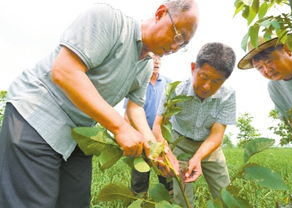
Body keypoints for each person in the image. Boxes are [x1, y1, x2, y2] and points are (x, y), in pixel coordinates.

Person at [0, 1, 199, 207]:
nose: (176, 47)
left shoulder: (146, 65)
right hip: (37, 116)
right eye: (178, 36)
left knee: (75, 202)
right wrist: (119, 127)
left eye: (183, 44)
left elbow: (135, 108)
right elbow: (64, 71)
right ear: (160, 13)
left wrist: (157, 148)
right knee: (31, 202)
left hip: (77, 134)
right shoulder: (108, 20)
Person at [153, 42, 237, 207]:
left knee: (225, 194)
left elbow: (216, 135)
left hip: (209, 148)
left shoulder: (228, 96)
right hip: (181, 144)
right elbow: (158, 125)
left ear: (225, 80)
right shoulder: (176, 90)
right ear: (193, 68)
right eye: (203, 77)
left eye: (216, 81)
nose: (207, 86)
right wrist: (167, 151)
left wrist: (198, 157)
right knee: (182, 196)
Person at [237, 33, 292, 145]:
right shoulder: (275, 87)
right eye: (260, 68)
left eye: (269, 61)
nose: (267, 70)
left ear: (287, 50)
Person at [124, 54, 173, 194]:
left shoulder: (168, 83)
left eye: (159, 58)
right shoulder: (138, 83)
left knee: (167, 177)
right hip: (142, 139)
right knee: (139, 180)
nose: (156, 61)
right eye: (153, 58)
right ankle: (139, 201)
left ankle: (168, 202)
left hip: (161, 139)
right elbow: (128, 114)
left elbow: (172, 113)